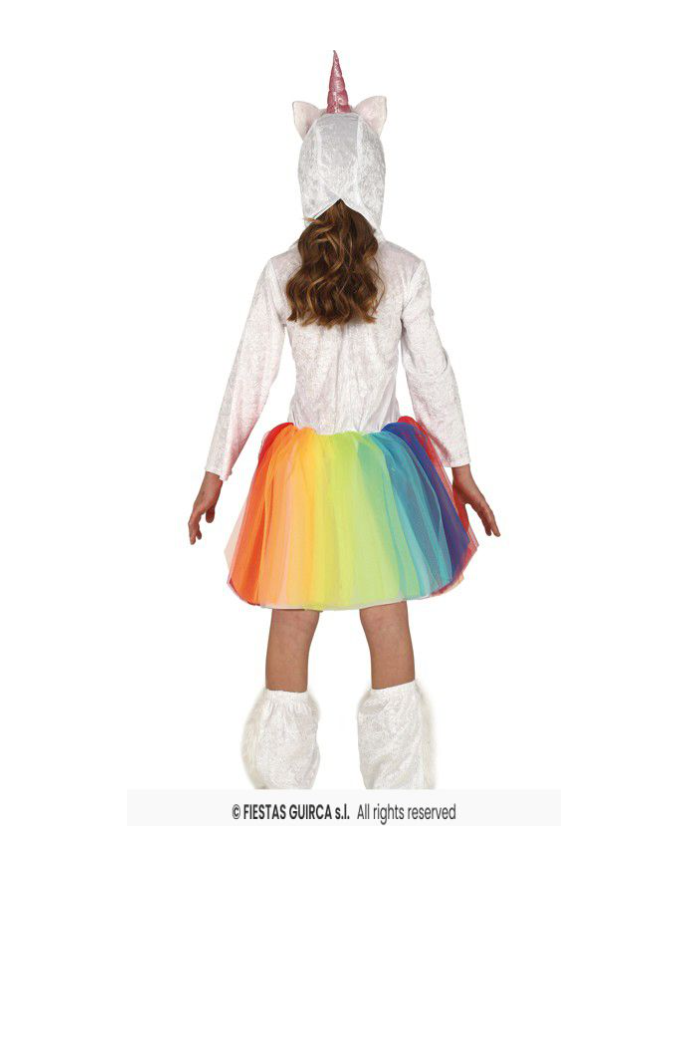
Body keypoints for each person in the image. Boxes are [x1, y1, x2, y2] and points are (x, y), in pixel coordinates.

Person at [189, 52, 499, 789]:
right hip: (382, 474)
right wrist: (458, 467)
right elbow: (433, 375)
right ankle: (398, 790)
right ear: (375, 173)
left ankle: (282, 789)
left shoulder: (282, 272)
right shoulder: (405, 270)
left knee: (292, 616)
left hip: (301, 472)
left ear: (305, 174)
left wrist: (215, 473)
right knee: (384, 615)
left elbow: (249, 377)